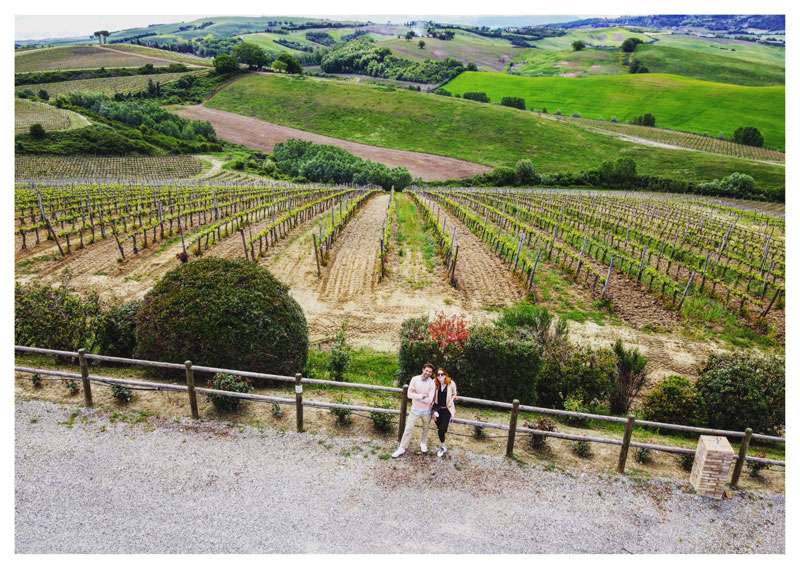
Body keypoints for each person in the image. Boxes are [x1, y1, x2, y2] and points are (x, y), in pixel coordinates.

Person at [391, 363, 436, 458]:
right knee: (408, 429)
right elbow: (409, 395)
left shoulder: (432, 383)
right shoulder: (414, 379)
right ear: (423, 369)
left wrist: (416, 396)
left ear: (431, 374)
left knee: (425, 429)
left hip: (426, 411)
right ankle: (402, 448)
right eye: (426, 370)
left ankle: (423, 443)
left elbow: (430, 399)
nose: (427, 373)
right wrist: (423, 395)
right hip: (415, 410)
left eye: (430, 372)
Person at [432, 367, 457, 457]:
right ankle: (443, 446)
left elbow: (454, 394)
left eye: (442, 374)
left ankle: (444, 426)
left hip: (447, 409)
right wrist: (433, 411)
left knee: (443, 429)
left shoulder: (451, 383)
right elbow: (431, 396)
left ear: (445, 374)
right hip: (437, 408)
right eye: (438, 374)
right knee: (439, 429)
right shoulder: (434, 383)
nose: (440, 376)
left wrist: (451, 400)